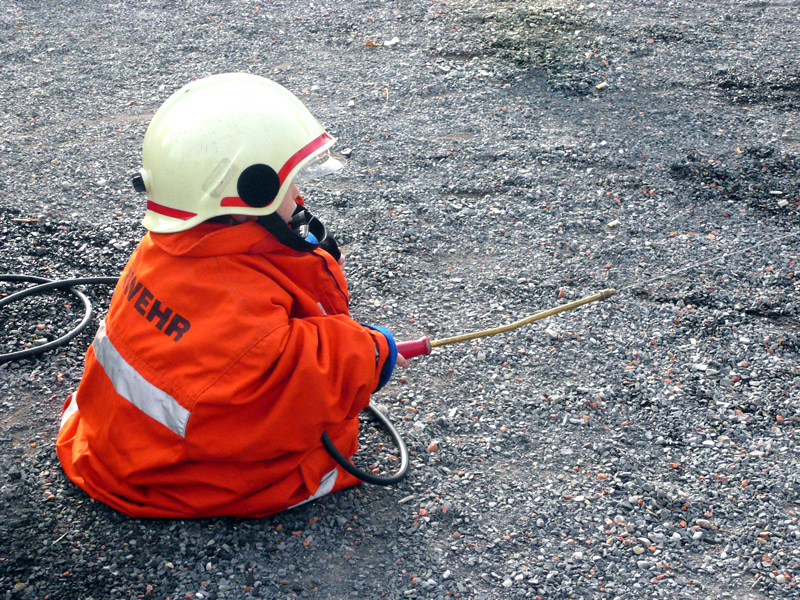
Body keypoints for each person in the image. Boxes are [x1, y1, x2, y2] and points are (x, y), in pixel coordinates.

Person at [56, 73, 409, 519]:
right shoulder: (245, 315)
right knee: (305, 448)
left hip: (111, 444)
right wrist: (371, 354)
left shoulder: (166, 249)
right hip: (177, 481)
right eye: (287, 187)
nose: (298, 196)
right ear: (249, 194)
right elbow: (290, 378)